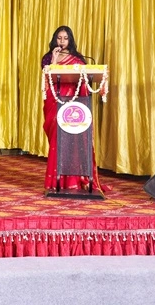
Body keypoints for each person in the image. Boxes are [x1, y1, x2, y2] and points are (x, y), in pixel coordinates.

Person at [41, 25, 108, 193]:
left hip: (74, 105)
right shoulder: (47, 57)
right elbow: (47, 77)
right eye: (59, 38)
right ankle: (57, 181)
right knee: (58, 138)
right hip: (56, 102)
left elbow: (85, 78)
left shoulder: (78, 59)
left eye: (65, 38)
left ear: (70, 40)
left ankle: (76, 180)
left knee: (74, 140)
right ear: (54, 39)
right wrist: (54, 60)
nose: (62, 41)